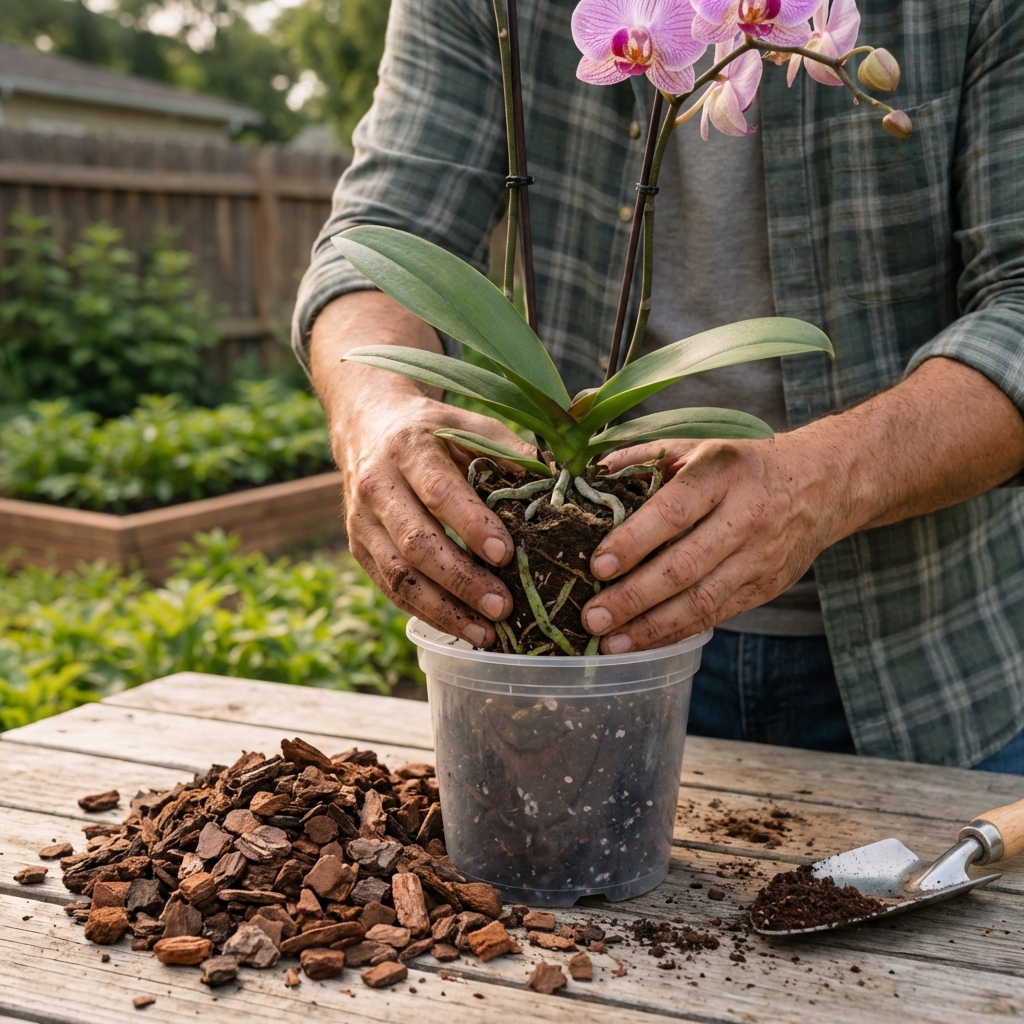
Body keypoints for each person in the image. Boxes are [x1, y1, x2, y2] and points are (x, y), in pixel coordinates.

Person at [293, 0, 1024, 771]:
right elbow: (376, 244)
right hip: (578, 642)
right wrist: (377, 410)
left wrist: (832, 475)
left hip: (933, 660)